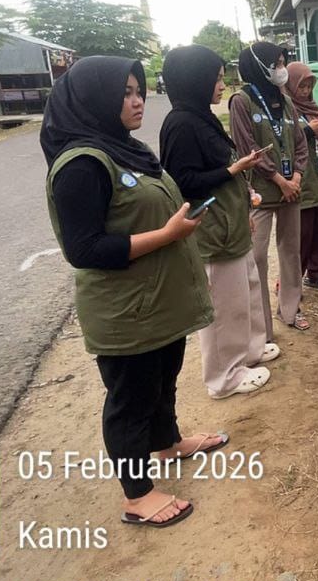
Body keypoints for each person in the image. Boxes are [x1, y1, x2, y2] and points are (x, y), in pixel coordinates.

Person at [43, 55, 225, 529]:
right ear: (93, 99)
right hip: (127, 311)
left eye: (139, 89)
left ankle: (168, 444)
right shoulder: (81, 164)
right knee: (130, 399)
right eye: (124, 92)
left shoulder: (125, 148)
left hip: (156, 302)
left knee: (163, 377)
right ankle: (136, 494)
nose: (137, 99)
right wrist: (166, 236)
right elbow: (84, 249)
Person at [160, 45, 278, 399]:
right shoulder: (180, 124)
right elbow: (183, 181)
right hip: (212, 228)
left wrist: (244, 206)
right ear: (194, 80)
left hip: (232, 222)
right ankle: (223, 377)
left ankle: (251, 351)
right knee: (223, 306)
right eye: (215, 77)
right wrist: (234, 169)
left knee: (246, 293)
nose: (222, 83)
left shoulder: (202, 117)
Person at [229, 42, 310, 332]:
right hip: (261, 193)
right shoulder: (242, 101)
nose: (281, 69)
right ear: (259, 65)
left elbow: (301, 144)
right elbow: (246, 147)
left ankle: (290, 309)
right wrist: (279, 179)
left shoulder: (286, 101)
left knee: (291, 252)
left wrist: (297, 177)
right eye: (275, 63)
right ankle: (261, 325)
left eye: (282, 62)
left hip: (292, 190)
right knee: (257, 257)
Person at [285, 61, 318, 289]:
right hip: (303, 177)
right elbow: (285, 140)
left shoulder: (312, 108)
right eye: (301, 87)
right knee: (303, 234)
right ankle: (292, 281)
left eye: (309, 86)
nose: (306, 92)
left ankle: (316, 274)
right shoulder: (285, 109)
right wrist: (308, 130)